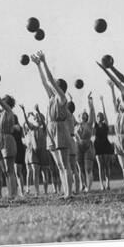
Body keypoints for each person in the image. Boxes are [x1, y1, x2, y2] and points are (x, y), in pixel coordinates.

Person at [30, 51, 72, 198]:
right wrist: (38, 66)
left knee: (65, 164)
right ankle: (66, 192)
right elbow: (44, 82)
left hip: (60, 129)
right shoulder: (52, 97)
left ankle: (69, 193)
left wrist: (44, 61)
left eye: (56, 85)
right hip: (50, 130)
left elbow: (50, 81)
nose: (53, 87)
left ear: (60, 88)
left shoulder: (62, 98)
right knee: (59, 165)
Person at [108, 80, 124, 191]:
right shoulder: (116, 113)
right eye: (118, 103)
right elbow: (114, 101)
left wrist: (119, 90)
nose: (119, 104)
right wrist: (112, 88)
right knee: (123, 167)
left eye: (121, 103)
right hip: (118, 140)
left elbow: (123, 98)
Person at [75, 92, 96, 192]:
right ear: (79, 117)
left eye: (85, 114)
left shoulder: (89, 123)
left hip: (88, 146)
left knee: (88, 168)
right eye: (81, 115)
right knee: (80, 169)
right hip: (78, 146)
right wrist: (70, 100)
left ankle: (89, 187)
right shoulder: (76, 125)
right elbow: (69, 113)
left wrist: (89, 101)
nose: (83, 115)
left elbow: (91, 110)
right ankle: (82, 185)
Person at [93, 95, 113, 190]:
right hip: (97, 146)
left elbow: (104, 112)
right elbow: (92, 114)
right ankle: (102, 184)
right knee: (100, 166)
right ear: (96, 118)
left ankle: (108, 183)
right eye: (98, 116)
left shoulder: (106, 124)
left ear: (103, 117)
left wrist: (102, 102)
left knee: (106, 165)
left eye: (100, 116)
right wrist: (91, 102)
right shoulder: (95, 125)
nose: (99, 117)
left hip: (106, 145)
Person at [12, 114, 27, 196]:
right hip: (15, 148)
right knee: (16, 172)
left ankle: (21, 191)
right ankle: (18, 190)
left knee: (18, 171)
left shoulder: (17, 127)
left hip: (18, 149)